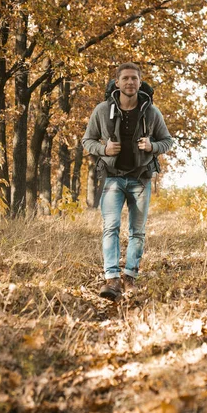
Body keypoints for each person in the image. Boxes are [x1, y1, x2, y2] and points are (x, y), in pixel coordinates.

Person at [82, 62, 173, 301]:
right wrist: (104, 149)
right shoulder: (102, 110)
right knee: (110, 228)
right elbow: (87, 141)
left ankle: (129, 277)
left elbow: (167, 140)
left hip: (141, 179)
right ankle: (111, 279)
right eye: (125, 78)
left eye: (134, 78)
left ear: (140, 83)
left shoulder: (152, 112)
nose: (130, 82)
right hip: (113, 178)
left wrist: (152, 146)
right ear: (117, 82)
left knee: (138, 232)